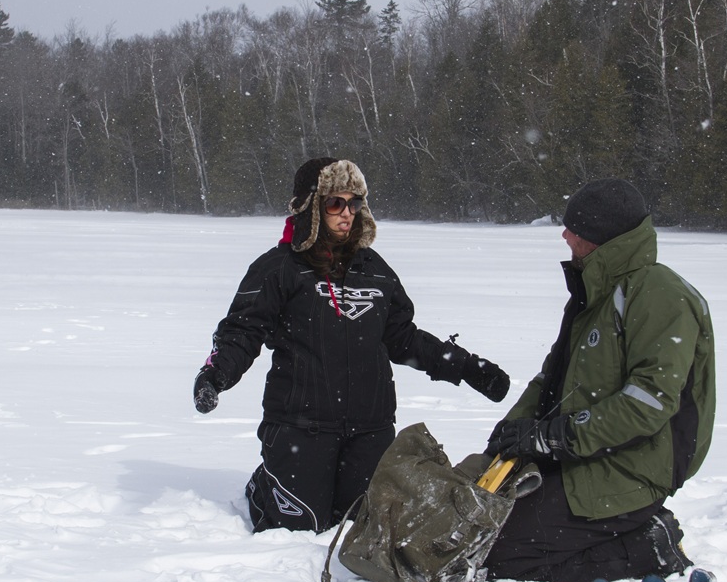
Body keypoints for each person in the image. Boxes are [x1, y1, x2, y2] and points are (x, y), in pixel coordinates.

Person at [194, 157, 512, 534]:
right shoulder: (280, 268)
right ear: (310, 206)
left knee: (362, 526)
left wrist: (466, 367)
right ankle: (265, 483)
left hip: (369, 427)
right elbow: (242, 331)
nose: (347, 213)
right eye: (335, 203)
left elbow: (403, 337)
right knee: (301, 526)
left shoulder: (374, 269)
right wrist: (215, 375)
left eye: (354, 202)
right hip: (301, 425)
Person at [482, 178, 715, 582]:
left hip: (632, 469)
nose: (565, 235)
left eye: (578, 230)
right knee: (477, 527)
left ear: (607, 241)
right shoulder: (598, 289)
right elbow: (552, 377)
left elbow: (648, 402)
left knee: (498, 553)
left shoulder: (660, 294)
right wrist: (513, 431)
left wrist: (553, 437)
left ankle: (647, 546)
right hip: (583, 456)